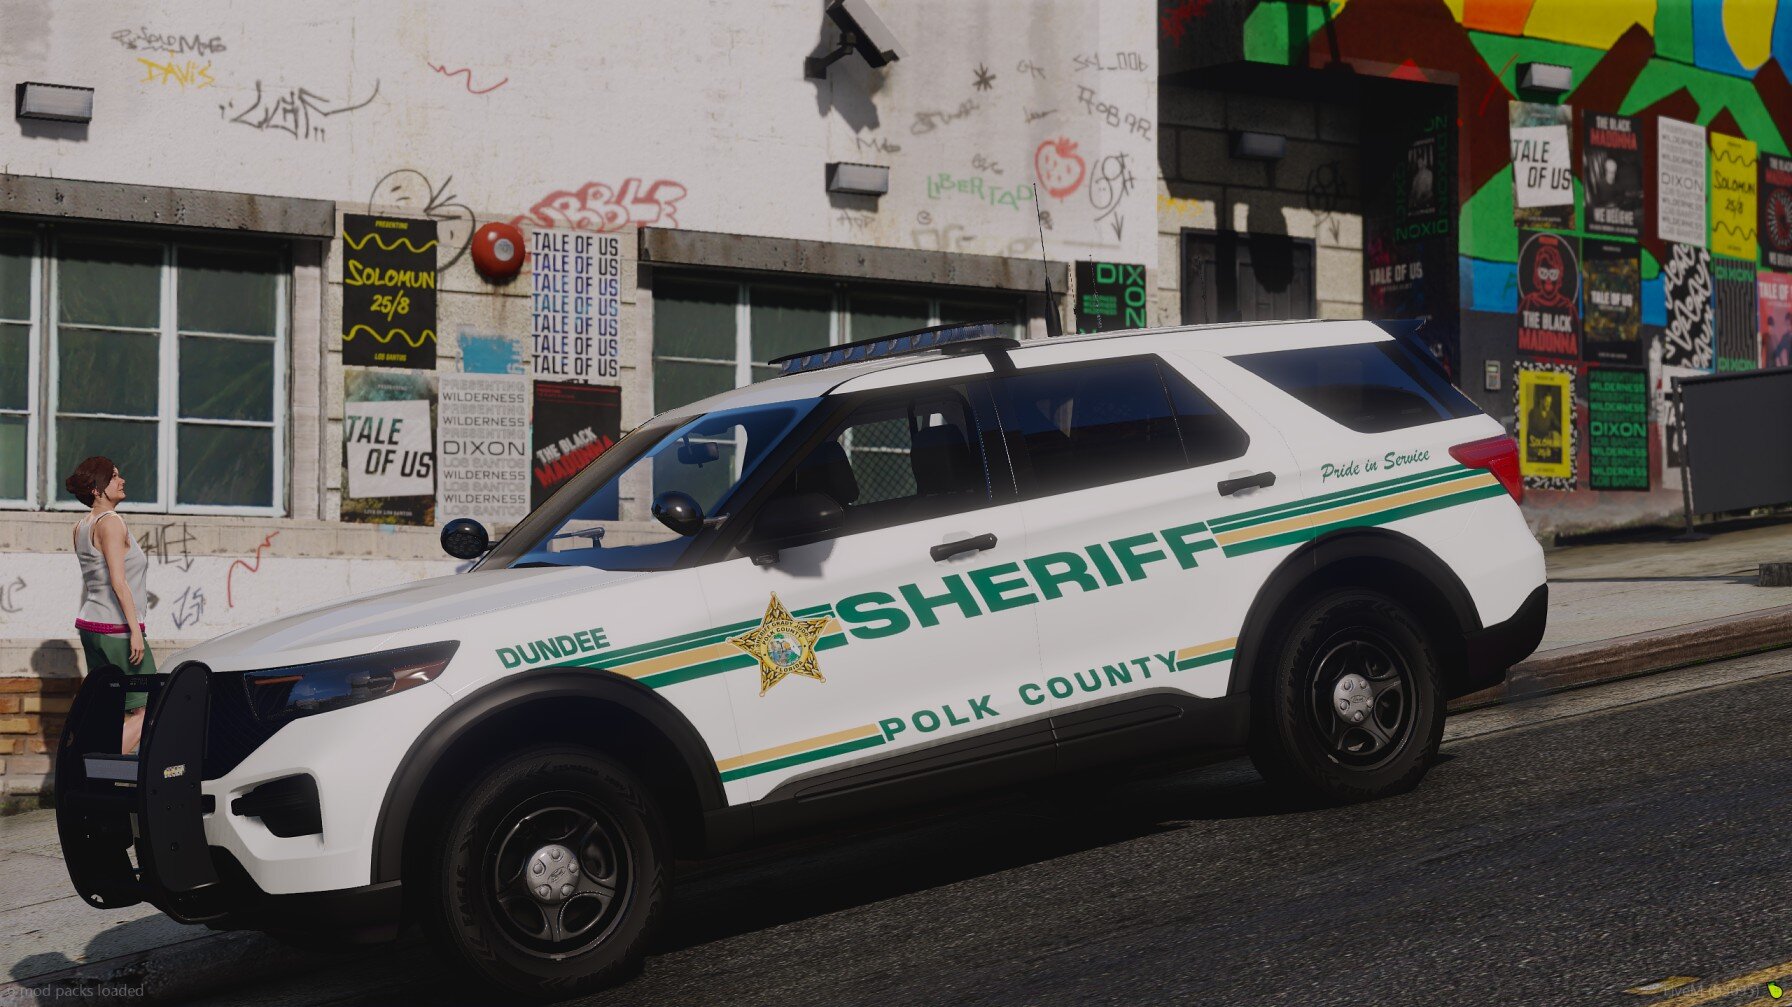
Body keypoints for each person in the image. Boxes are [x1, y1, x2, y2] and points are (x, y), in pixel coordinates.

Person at [65, 457, 155, 753]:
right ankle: (93, 764)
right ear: (96, 488)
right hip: (118, 630)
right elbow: (118, 581)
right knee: (147, 709)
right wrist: (135, 631)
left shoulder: (81, 526)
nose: (122, 480)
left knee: (113, 707)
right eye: (114, 476)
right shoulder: (112, 523)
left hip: (91, 628)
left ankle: (96, 764)